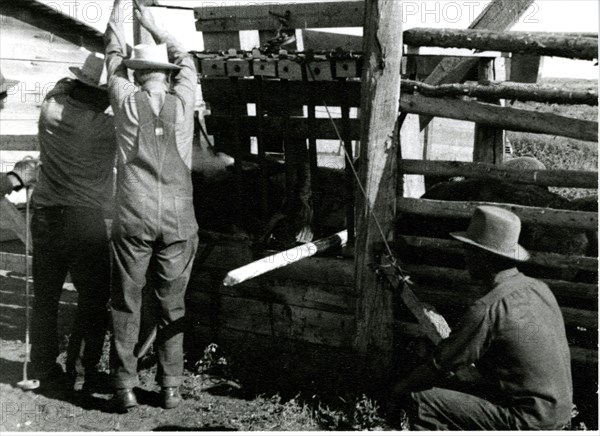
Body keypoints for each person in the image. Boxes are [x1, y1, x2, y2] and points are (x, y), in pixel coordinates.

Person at [389, 206, 573, 430]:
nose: (465, 256)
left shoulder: (488, 309)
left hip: (529, 421)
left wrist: (399, 389)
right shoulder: (540, 289)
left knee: (421, 399)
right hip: (559, 414)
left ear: (484, 256)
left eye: (469, 249)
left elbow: (439, 365)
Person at [105, 0, 199, 411]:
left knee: (126, 301)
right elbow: (188, 59)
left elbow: (112, 54)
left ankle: (124, 386)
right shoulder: (184, 100)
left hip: (133, 217)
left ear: (138, 75)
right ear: (168, 75)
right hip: (178, 221)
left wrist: (118, 12)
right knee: (171, 305)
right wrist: (154, 25)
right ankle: (170, 388)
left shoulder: (125, 100)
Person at [25, 53, 117, 392]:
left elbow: (59, 89)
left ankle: (43, 367)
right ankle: (81, 370)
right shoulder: (104, 128)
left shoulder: (50, 109)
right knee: (93, 297)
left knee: (45, 298)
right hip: (84, 219)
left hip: (46, 217)